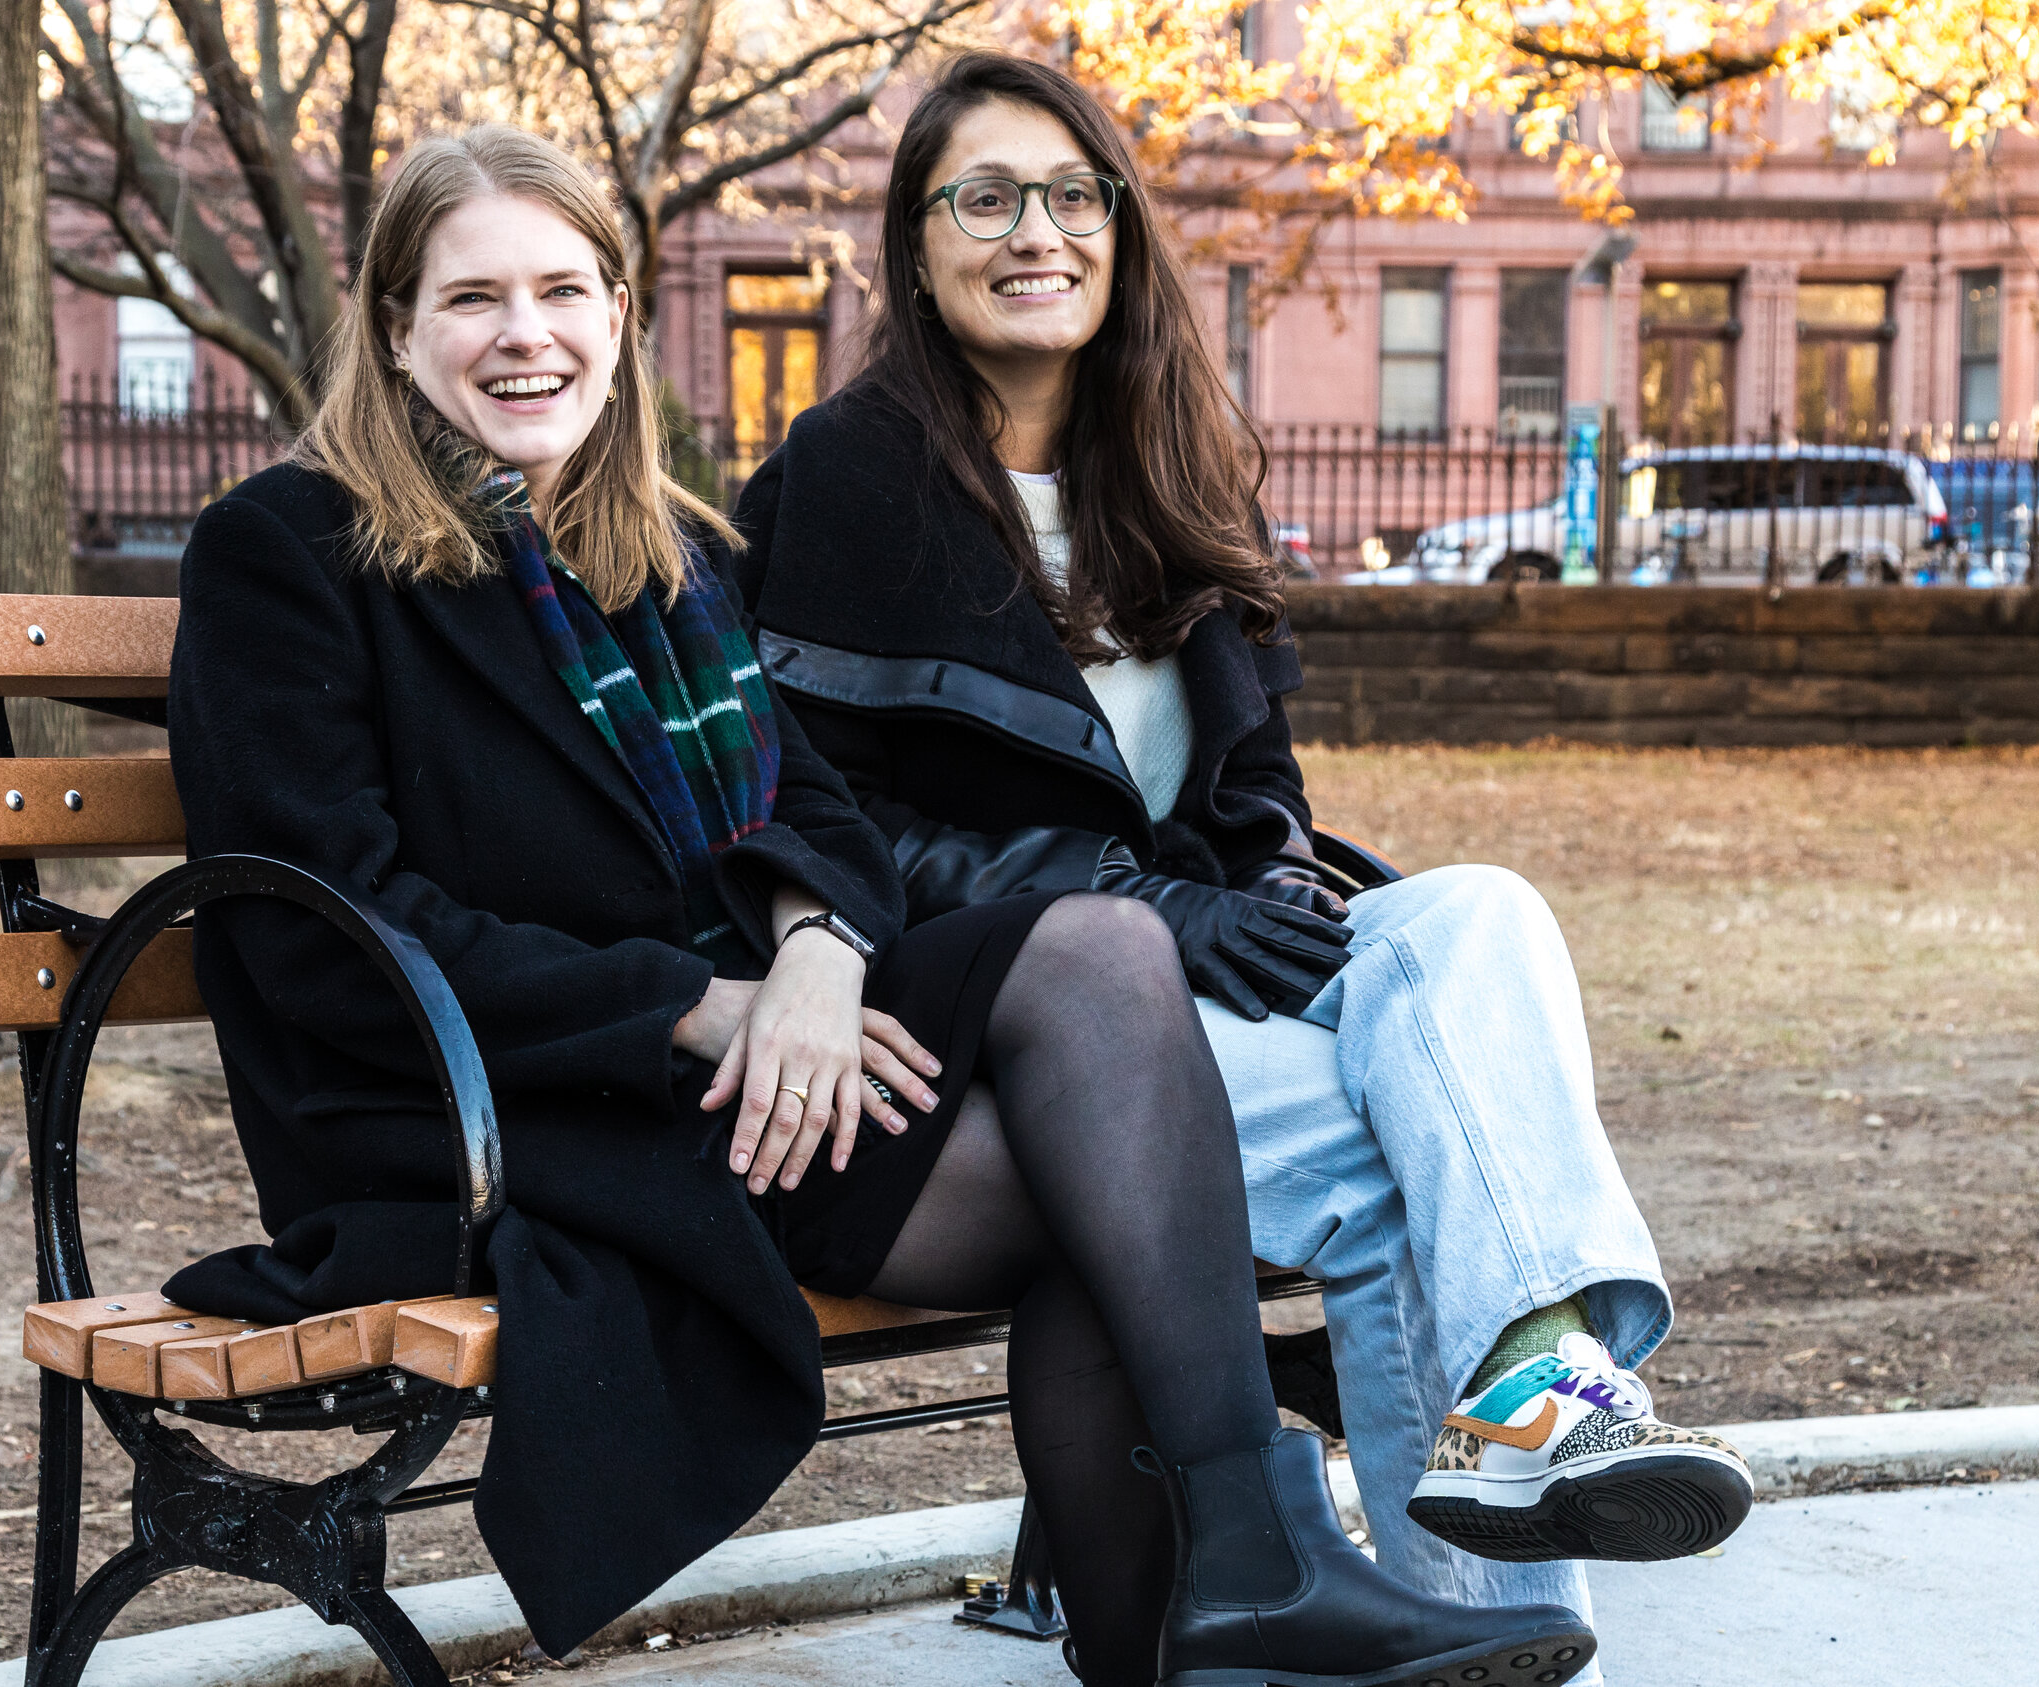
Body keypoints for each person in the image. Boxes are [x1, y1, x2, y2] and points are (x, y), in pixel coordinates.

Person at [161, 124, 1591, 1686]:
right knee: (1105, 1197)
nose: (527, 335)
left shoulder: (658, 556)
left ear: (620, 316)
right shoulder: (285, 552)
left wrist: (818, 952)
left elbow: (815, 810)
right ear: (393, 326)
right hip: (506, 1115)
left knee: (1105, 962)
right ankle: (1229, 1601)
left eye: (565, 290)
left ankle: (1236, 1585)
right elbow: (328, 930)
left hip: (761, 1066)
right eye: (474, 300)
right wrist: (697, 1009)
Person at [731, 53, 1755, 1685]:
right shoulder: (845, 482)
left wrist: (1261, 878)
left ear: (1124, 234)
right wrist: (1155, 910)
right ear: (914, 246)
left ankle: (1533, 1416)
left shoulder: (1173, 459)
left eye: (1076, 198)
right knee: (1390, 1168)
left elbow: (1253, 781)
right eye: (983, 199)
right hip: (1023, 1027)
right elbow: (838, 824)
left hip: (1210, 984)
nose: (1036, 234)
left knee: (1479, 913)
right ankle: (1526, 1509)